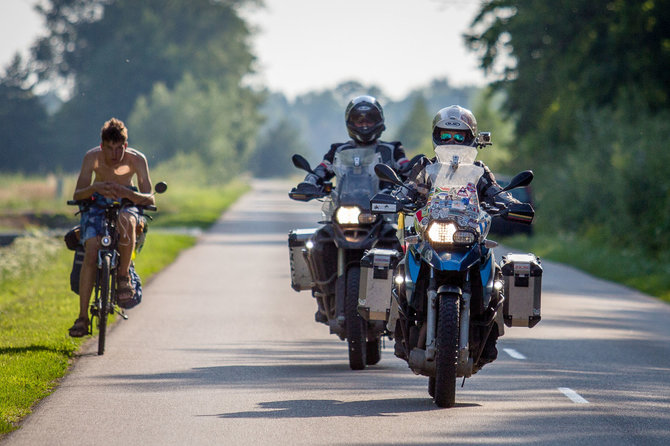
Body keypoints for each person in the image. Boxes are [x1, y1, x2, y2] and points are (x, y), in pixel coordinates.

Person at [397, 105, 523, 363]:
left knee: (495, 273)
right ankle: (400, 331)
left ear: (470, 137)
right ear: (436, 136)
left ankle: (490, 337)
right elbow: (408, 189)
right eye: (445, 136)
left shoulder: (479, 171)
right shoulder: (424, 167)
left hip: (468, 235)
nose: (452, 141)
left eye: (458, 136)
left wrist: (511, 204)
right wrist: (397, 197)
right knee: (399, 271)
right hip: (431, 234)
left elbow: (496, 192)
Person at [296, 95, 411, 323]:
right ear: (350, 122)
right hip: (345, 210)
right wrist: (310, 182)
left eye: (369, 119)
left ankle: (402, 303)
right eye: (359, 120)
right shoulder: (338, 150)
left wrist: (413, 177)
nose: (365, 124)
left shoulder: (392, 150)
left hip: (380, 215)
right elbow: (323, 168)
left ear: (379, 121)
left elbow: (406, 169)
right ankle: (324, 293)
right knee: (318, 243)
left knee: (401, 250)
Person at [68, 118, 154, 337]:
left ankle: (123, 277)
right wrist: (96, 187)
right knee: (91, 249)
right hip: (96, 205)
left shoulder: (137, 160)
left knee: (128, 219)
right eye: (109, 149)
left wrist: (128, 193)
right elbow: (78, 195)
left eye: (119, 149)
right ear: (101, 145)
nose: (114, 155)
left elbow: (150, 199)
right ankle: (82, 318)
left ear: (125, 145)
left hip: (127, 204)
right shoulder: (92, 158)